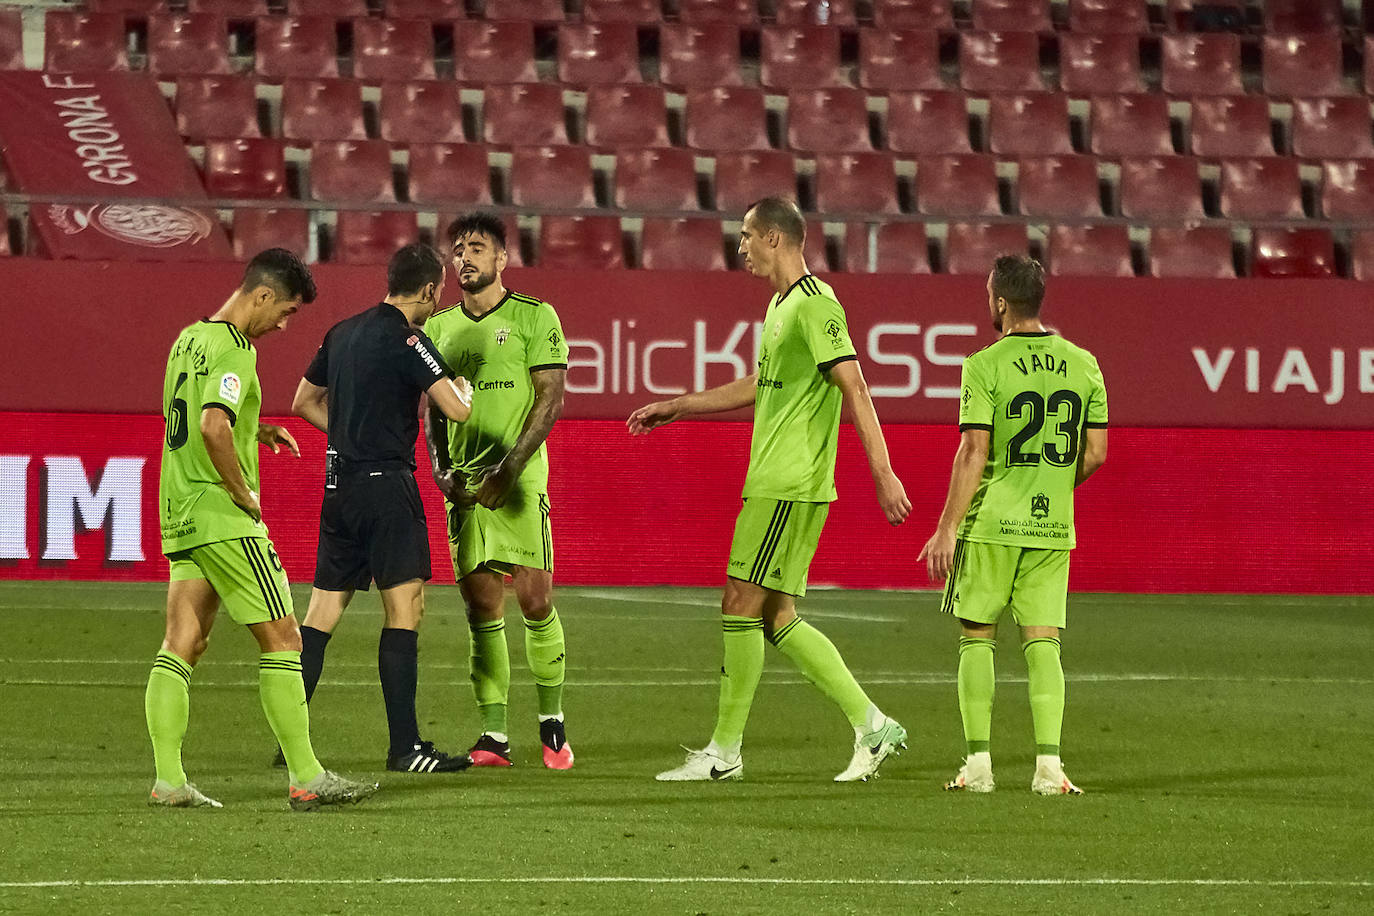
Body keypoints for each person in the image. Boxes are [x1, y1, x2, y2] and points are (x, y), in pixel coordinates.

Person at [629, 197, 912, 783]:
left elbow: (854, 385)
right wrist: (679, 406)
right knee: (776, 616)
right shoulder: (780, 307)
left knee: (739, 601)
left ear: (777, 239)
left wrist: (883, 472)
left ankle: (725, 753)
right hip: (775, 479)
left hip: (791, 481)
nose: (741, 248)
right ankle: (873, 725)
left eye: (747, 236)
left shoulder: (816, 304)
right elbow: (764, 384)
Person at [147, 248, 378, 811]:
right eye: (288, 312)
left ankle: (169, 780)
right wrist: (241, 490)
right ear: (263, 295)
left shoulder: (189, 339)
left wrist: (258, 430)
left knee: (182, 645)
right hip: (224, 520)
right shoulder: (235, 348)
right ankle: (306, 777)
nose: (284, 324)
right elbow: (211, 425)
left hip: (179, 511)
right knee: (285, 641)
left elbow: (198, 415)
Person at [916, 255, 1108, 796]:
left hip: (992, 524)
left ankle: (979, 766)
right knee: (1043, 642)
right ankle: (1049, 768)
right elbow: (1095, 453)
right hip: (1053, 529)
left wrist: (948, 526)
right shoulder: (1085, 363)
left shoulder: (984, 364)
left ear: (1001, 301)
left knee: (977, 637)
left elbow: (973, 450)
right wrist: (1048, 488)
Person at [288, 243, 475, 774]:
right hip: (387, 489)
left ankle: (289, 736)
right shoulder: (409, 339)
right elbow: (456, 411)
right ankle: (405, 748)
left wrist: (349, 437)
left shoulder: (341, 332)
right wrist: (464, 389)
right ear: (429, 290)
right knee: (405, 610)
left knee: (321, 614)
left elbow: (302, 401)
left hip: (338, 488)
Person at [423, 213, 572, 770]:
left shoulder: (536, 316)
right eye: (458, 248)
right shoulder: (437, 329)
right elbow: (432, 409)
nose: (464, 257)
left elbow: (550, 397)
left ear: (501, 259)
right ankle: (493, 736)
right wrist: (440, 469)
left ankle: (552, 723)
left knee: (535, 598)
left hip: (519, 476)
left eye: (477, 248)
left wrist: (510, 469)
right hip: (464, 482)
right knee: (481, 605)